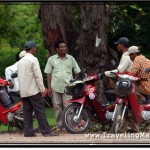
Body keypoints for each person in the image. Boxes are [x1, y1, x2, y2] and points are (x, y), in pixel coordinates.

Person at [18, 40, 58, 137]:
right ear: (32, 49)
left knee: (27, 112)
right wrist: (42, 89)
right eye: (35, 47)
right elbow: (38, 76)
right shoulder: (33, 60)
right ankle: (46, 131)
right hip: (33, 90)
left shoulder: (20, 61)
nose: (35, 49)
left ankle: (28, 132)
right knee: (40, 111)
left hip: (24, 91)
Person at [44, 39, 81, 132]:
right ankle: (59, 126)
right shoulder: (51, 59)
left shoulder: (71, 58)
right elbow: (48, 73)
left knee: (69, 106)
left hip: (68, 87)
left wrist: (73, 81)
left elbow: (77, 71)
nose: (64, 48)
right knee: (57, 107)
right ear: (57, 49)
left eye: (65, 46)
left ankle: (70, 126)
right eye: (61, 47)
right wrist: (49, 87)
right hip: (55, 86)